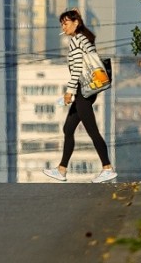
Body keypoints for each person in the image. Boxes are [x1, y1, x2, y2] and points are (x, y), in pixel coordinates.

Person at [43, 9, 118, 184]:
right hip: (86, 90)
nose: (63, 26)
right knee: (68, 129)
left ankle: (107, 168)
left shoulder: (77, 40)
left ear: (75, 23)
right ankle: (61, 169)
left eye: (66, 22)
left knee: (92, 131)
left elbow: (77, 69)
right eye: (62, 23)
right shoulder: (84, 38)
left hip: (83, 91)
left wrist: (70, 91)